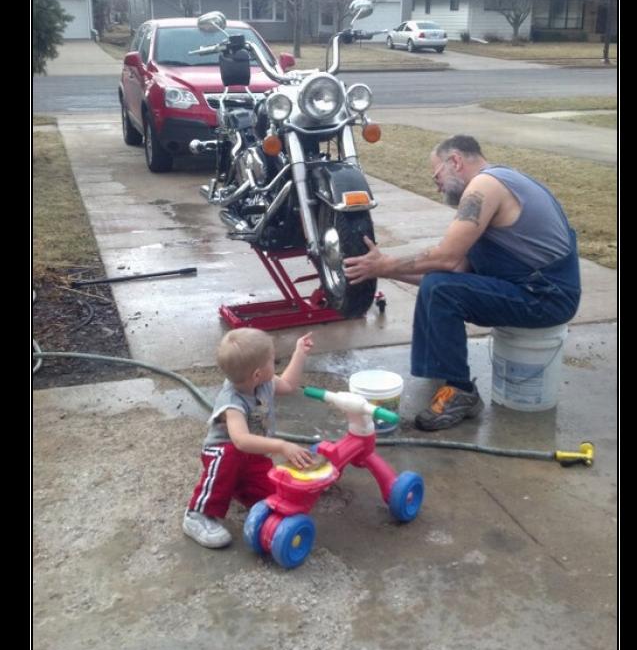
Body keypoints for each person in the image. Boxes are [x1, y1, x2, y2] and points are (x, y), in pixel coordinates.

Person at [344, 135, 581, 431]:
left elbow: (445, 258)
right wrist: (382, 270)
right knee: (439, 285)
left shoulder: (485, 186)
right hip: (531, 288)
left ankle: (461, 390)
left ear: (455, 161)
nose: (437, 185)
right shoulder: (498, 186)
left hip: (547, 297)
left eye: (437, 175)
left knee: (441, 289)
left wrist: (388, 263)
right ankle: (441, 375)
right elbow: (455, 266)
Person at [183, 328, 315, 548]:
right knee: (231, 455)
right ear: (256, 374)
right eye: (272, 361)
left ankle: (233, 486)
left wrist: (300, 352)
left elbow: (289, 385)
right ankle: (197, 514)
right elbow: (241, 441)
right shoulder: (232, 402)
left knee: (275, 498)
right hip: (223, 455)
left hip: (253, 457)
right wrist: (282, 446)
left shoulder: (264, 382)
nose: (275, 364)